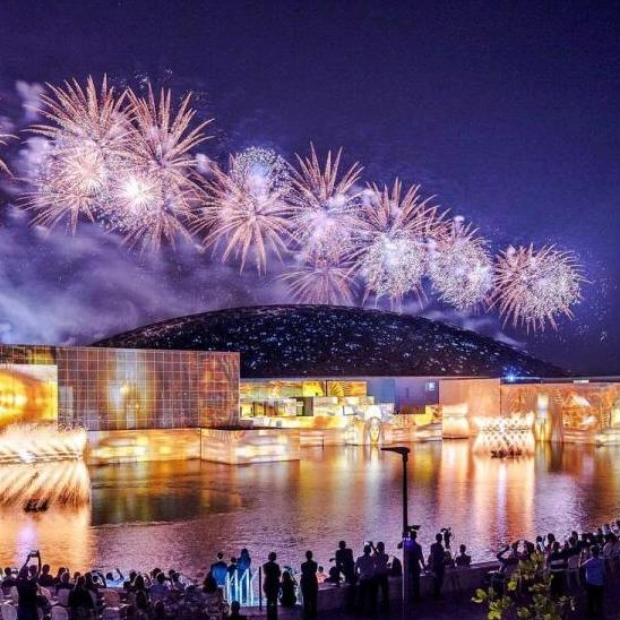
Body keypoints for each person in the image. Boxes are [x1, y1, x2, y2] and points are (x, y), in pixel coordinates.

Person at [16, 551, 41, 620]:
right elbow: (39, 570)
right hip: (31, 608)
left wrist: (27, 561)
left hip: (21, 606)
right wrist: (39, 558)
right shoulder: (31, 582)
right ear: (27, 573)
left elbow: (20, 572)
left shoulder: (18, 582)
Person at [581, 545, 604, 617]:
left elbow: (580, 566)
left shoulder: (588, 562)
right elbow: (604, 571)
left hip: (590, 583)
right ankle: (599, 612)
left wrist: (583, 556)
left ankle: (590, 614)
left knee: (590, 599)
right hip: (599, 582)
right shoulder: (602, 560)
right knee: (598, 599)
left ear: (591, 552)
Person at [355, 543, 377, 614]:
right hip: (371, 579)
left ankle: (360, 610)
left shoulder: (359, 559)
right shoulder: (372, 559)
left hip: (363, 579)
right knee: (372, 595)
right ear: (369, 551)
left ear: (364, 551)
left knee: (361, 595)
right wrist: (373, 546)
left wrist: (359, 576)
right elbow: (378, 555)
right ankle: (373, 610)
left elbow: (355, 570)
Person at [300, 550, 318, 620]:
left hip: (306, 583)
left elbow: (304, 572)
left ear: (306, 556)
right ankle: (314, 616)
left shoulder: (303, 565)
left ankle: (306, 616)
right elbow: (313, 571)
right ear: (311, 556)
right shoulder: (315, 564)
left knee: (306, 599)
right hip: (313, 582)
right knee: (313, 600)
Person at [263, 552, 281, 620]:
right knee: (274, 600)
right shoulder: (276, 566)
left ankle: (269, 616)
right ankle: (274, 615)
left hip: (268, 583)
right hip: (274, 583)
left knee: (269, 600)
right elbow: (278, 575)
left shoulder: (265, 565)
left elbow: (265, 573)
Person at [373, 542, 390, 611]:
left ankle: (374, 607)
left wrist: (374, 547)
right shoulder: (386, 556)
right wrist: (375, 548)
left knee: (375, 591)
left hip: (377, 575)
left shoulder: (376, 556)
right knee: (385, 591)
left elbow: (375, 557)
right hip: (384, 575)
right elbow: (379, 556)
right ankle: (386, 606)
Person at [429, 533, 446, 600]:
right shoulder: (440, 547)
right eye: (440, 538)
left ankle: (436, 594)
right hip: (439, 566)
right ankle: (436, 594)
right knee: (439, 581)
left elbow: (432, 556)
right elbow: (440, 557)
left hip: (435, 566)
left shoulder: (433, 546)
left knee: (436, 581)